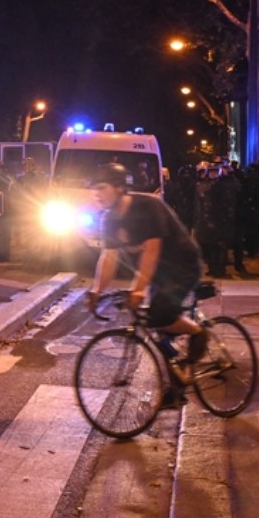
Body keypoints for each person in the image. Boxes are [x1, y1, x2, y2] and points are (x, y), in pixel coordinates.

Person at [85, 162, 209, 410]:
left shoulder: (147, 207)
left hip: (182, 265)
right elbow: (108, 257)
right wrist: (97, 290)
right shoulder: (109, 219)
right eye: (94, 188)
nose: (96, 194)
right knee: (155, 325)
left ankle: (198, 332)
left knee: (161, 314)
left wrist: (139, 289)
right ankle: (176, 388)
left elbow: (151, 251)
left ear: (119, 188)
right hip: (158, 273)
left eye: (102, 187)